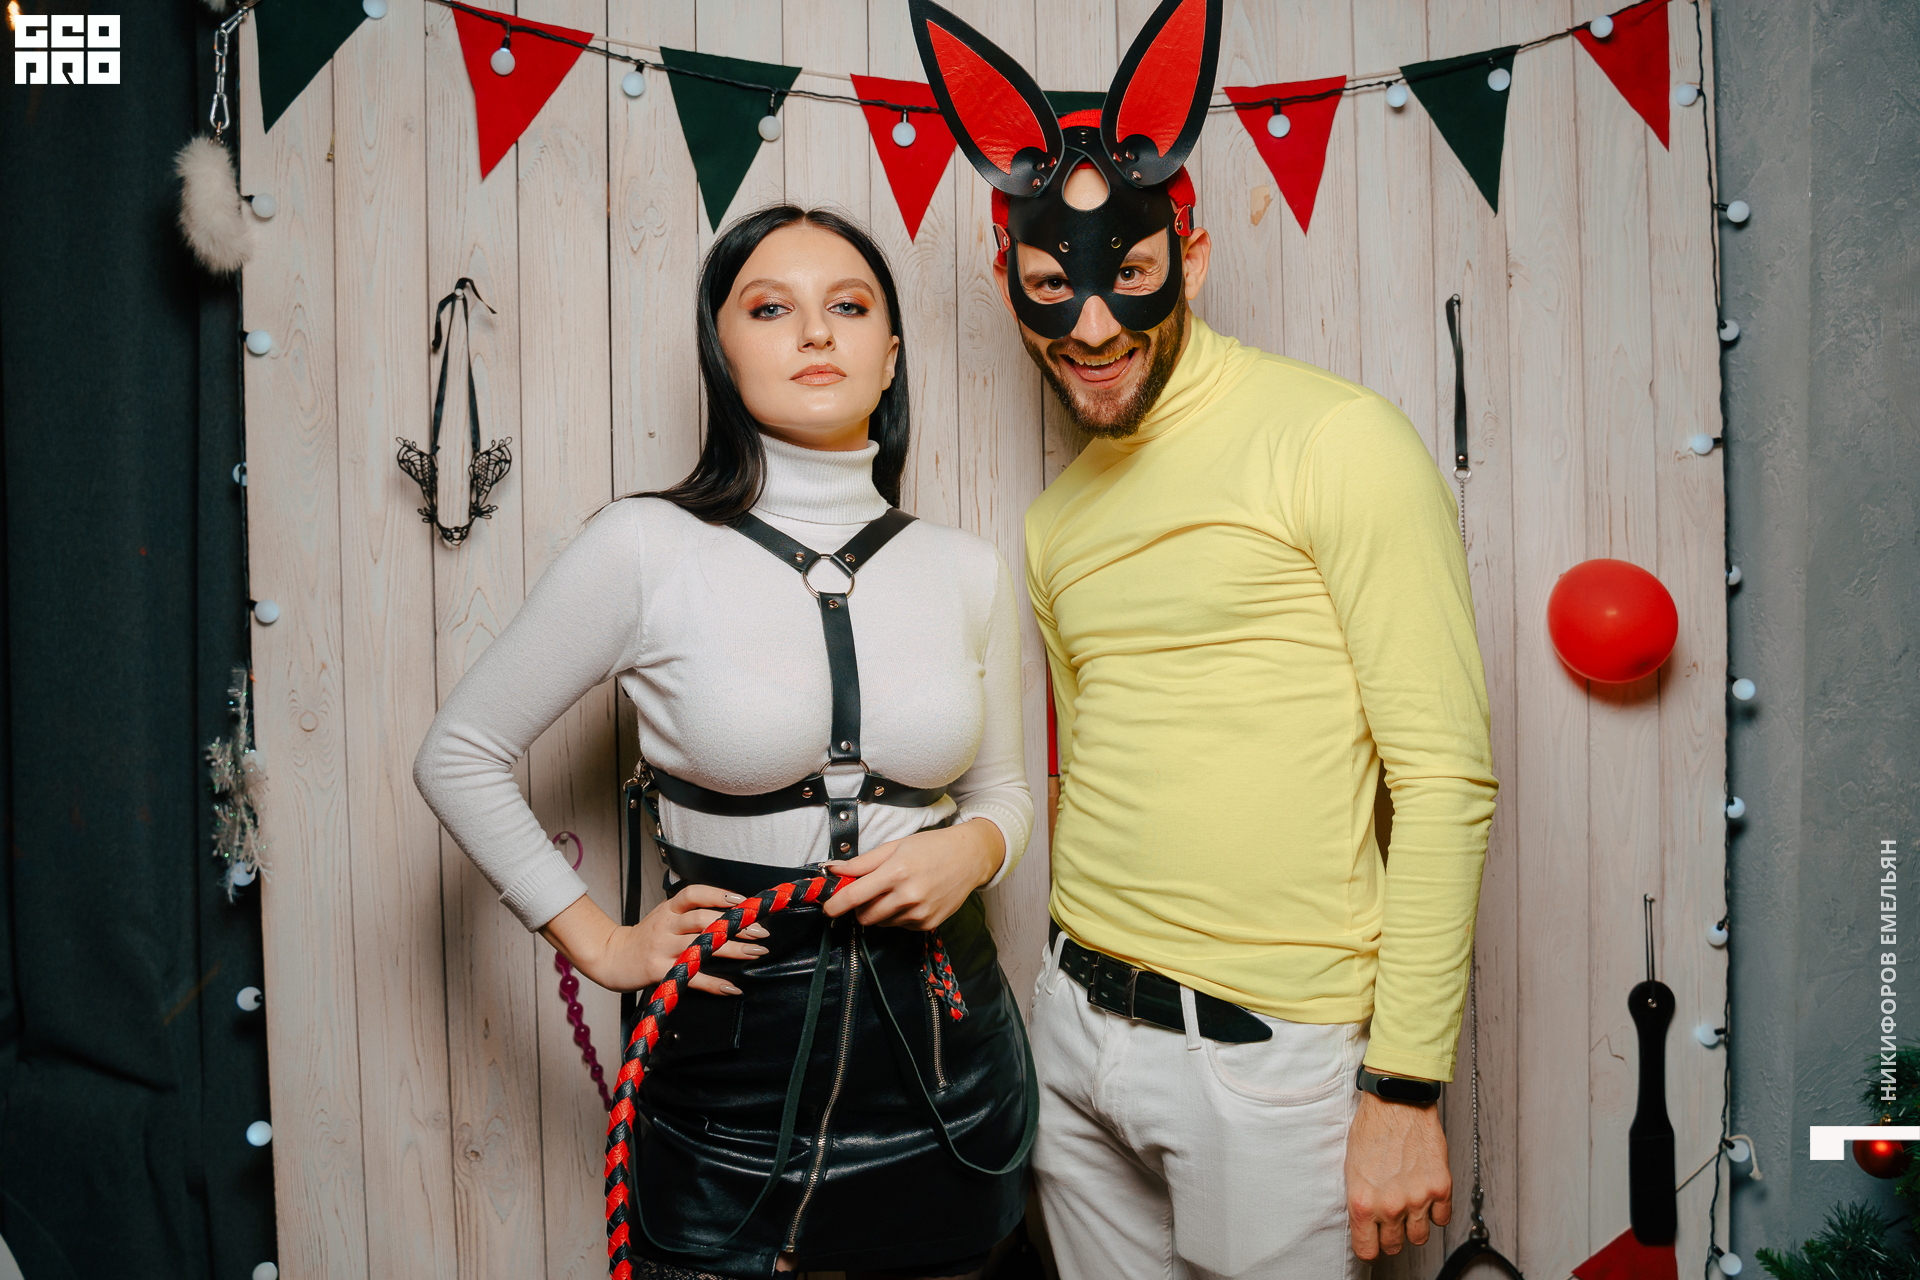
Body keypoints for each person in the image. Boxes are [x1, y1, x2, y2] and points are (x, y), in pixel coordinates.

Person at [910, 1, 1499, 1277]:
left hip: (1268, 1062)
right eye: (1052, 289)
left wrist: (1404, 1084)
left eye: (1126, 279)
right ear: (1008, 280)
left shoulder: (1337, 440)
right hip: (1074, 1032)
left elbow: (1445, 777)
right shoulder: (1056, 521)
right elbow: (1095, 772)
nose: (1092, 330)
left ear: (1194, 254)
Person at [414, 206, 1036, 1280]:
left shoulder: (967, 569)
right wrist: (606, 946)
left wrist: (971, 850)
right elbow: (459, 752)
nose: (816, 332)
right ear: (722, 350)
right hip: (728, 1074)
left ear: (891, 357)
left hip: (949, 1061)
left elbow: (1007, 792)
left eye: (849, 307)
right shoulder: (645, 547)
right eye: (771, 308)